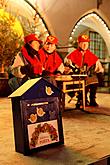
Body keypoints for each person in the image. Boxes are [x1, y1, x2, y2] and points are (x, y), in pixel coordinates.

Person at [64, 34, 104, 107]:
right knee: (81, 81)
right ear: (79, 44)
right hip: (76, 76)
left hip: (88, 76)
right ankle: (82, 99)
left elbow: (99, 68)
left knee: (94, 80)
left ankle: (92, 99)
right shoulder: (72, 55)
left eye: (86, 43)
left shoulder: (92, 56)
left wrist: (98, 73)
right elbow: (67, 68)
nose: (85, 45)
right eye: (82, 43)